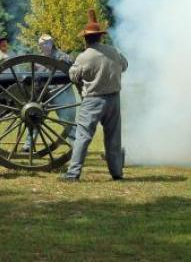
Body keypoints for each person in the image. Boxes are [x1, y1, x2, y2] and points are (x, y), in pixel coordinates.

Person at [61, 10, 128, 182]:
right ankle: (117, 173)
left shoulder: (84, 56)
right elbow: (125, 65)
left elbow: (73, 76)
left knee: (82, 137)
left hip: (93, 100)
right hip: (114, 99)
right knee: (113, 138)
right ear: (100, 36)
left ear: (85, 39)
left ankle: (73, 174)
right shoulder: (113, 51)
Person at [22, 34, 77, 152]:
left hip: (60, 91)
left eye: (47, 43)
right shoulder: (40, 58)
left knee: (66, 120)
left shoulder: (61, 56)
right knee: (34, 116)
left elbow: (72, 65)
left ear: (52, 44)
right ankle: (29, 144)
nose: (45, 46)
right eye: (43, 44)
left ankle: (76, 145)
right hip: (44, 93)